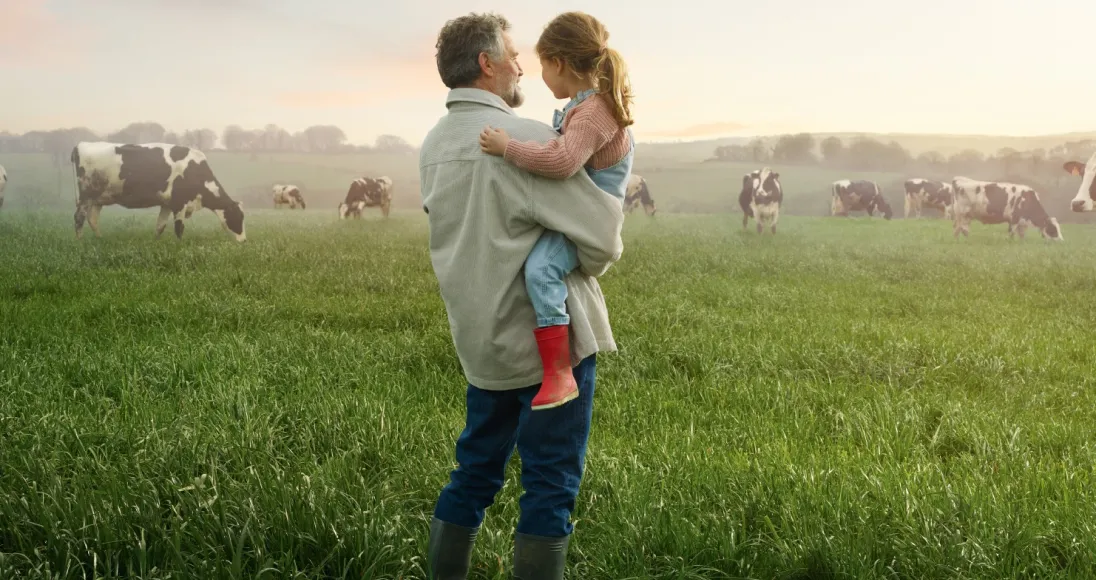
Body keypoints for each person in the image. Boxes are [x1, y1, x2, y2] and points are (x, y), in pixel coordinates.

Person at [419, 11, 625, 580]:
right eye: (512, 55)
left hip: (482, 348)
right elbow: (605, 241)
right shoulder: (531, 140)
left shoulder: (432, 147)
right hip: (548, 353)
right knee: (550, 484)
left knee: (473, 474)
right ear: (486, 64)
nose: (521, 68)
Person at [478, 11, 634, 412]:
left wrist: (508, 147)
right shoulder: (586, 108)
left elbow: (563, 162)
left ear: (559, 63)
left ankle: (559, 372)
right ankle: (556, 367)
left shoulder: (594, 113)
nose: (537, 73)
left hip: (587, 220)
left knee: (542, 269)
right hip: (576, 213)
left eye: (542, 64)